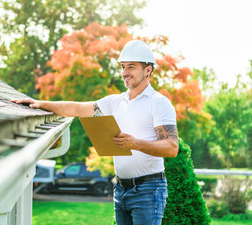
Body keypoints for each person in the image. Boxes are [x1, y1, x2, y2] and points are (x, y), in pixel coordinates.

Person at [12, 40, 179, 225]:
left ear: (148, 70)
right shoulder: (115, 102)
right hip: (121, 188)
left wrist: (135, 143)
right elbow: (76, 109)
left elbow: (171, 148)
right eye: (123, 67)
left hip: (148, 190)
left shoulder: (159, 103)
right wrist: (40, 103)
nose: (124, 72)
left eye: (131, 67)